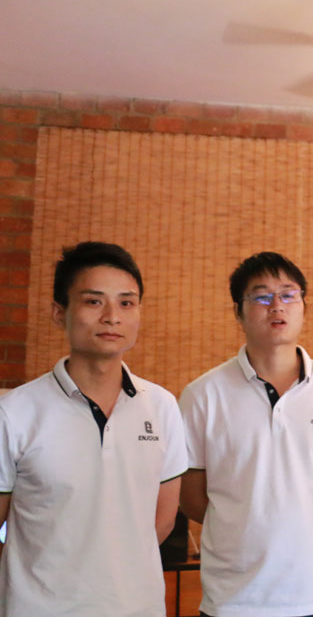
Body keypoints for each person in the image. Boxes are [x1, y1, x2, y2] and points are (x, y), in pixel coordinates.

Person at [0, 241, 187, 616]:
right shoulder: (14, 411)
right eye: (93, 301)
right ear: (59, 313)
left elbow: (162, 519)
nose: (112, 317)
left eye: (126, 303)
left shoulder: (162, 405)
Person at [179, 252, 313, 617]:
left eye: (288, 294)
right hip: (235, 600)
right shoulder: (203, 395)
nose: (277, 306)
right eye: (261, 297)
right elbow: (192, 497)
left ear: (304, 306)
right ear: (238, 312)